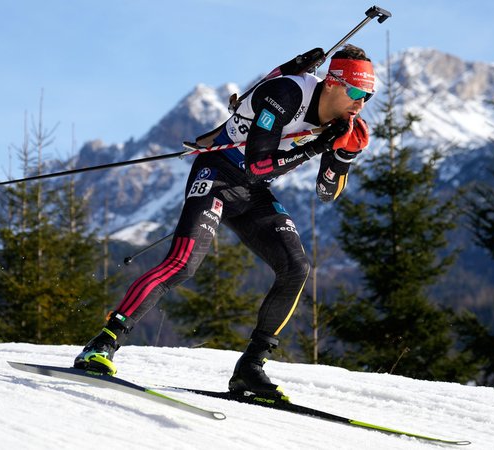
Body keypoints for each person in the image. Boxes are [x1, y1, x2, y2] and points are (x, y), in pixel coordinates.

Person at [73, 44, 375, 397]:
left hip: (253, 192)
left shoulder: (346, 124)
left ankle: (250, 369)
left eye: (368, 96)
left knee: (296, 268)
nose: (360, 104)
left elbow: (326, 193)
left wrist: (343, 155)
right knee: (183, 263)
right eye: (356, 93)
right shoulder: (287, 92)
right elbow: (258, 164)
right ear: (332, 82)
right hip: (218, 174)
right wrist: (313, 148)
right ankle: (102, 344)